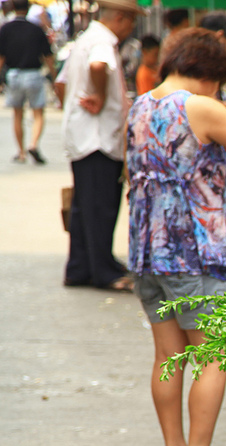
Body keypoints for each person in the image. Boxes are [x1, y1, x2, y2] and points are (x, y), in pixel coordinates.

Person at [125, 27, 226, 446]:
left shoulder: (141, 105)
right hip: (197, 251)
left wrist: (219, 165)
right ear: (210, 75)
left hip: (149, 249)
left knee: (168, 355)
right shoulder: (200, 104)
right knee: (213, 354)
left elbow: (173, 173)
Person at [54, 0, 145, 292]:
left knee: (84, 206)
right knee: (100, 206)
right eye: (131, 21)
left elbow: (61, 83)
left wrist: (74, 105)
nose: (131, 28)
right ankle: (102, 271)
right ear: (120, 18)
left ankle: (80, 267)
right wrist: (99, 97)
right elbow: (98, 66)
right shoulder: (102, 41)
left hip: (85, 136)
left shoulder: (85, 39)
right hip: (98, 139)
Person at [0, 0, 56, 164]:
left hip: (14, 74)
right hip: (33, 74)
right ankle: (33, 144)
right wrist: (53, 76)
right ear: (29, 8)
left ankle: (21, 152)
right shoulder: (36, 29)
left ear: (12, 7)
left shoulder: (6, 29)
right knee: (38, 113)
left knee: (17, 114)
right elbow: (48, 56)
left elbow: (1, 57)